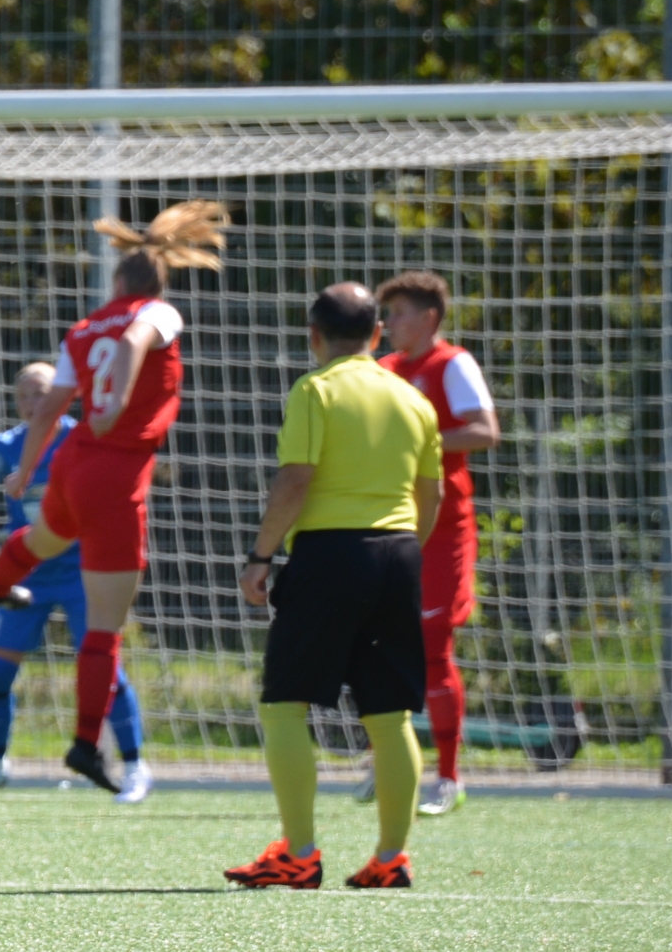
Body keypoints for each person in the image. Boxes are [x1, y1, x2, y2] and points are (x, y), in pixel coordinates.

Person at [0, 200, 230, 794]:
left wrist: (24, 475)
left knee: (40, 541)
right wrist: (117, 394)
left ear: (117, 279)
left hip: (69, 466)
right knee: (104, 633)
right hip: (115, 476)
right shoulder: (158, 314)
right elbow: (137, 338)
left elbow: (48, 409)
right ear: (156, 279)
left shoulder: (82, 328)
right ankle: (86, 745)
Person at [226, 282, 441, 891]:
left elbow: (296, 479)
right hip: (399, 554)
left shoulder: (315, 389)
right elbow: (434, 495)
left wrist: (260, 556)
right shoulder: (412, 398)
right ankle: (390, 858)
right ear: (376, 335)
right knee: (388, 712)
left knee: (285, 703)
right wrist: (403, 551)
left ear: (314, 337)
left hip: (329, 553)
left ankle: (299, 853)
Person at [0, 362, 151, 804]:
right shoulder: (6, 447)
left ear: (62, 396)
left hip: (84, 572)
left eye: (41, 394)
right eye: (24, 395)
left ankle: (136, 767)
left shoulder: (81, 440)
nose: (31, 404)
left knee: (106, 671)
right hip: (28, 575)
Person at [374, 270, 499, 817]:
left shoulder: (452, 364)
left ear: (428, 318)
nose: (388, 324)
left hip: (443, 528)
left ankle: (448, 776)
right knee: (378, 644)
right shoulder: (381, 370)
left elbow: (485, 430)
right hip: (388, 522)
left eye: (398, 313)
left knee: (431, 644)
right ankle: (387, 763)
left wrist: (419, 440)